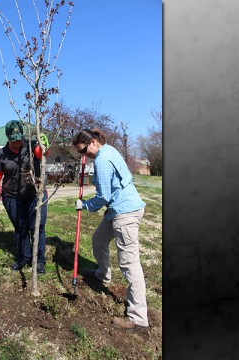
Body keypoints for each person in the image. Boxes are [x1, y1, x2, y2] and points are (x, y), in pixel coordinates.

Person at [72, 128, 148, 332]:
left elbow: (103, 196)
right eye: (81, 154)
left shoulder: (102, 160)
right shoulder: (109, 150)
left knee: (129, 264)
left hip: (125, 212)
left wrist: (85, 205)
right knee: (98, 240)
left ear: (93, 142)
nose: (84, 156)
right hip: (116, 210)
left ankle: (138, 317)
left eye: (84, 152)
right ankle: (103, 274)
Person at [0, 120, 50, 274]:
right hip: (12, 197)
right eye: (14, 139)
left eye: (19, 138)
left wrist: (44, 145)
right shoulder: (2, 154)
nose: (18, 142)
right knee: (20, 228)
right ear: (8, 137)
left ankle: (39, 261)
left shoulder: (30, 145)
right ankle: (23, 258)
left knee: (37, 227)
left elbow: (41, 152)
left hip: (36, 194)